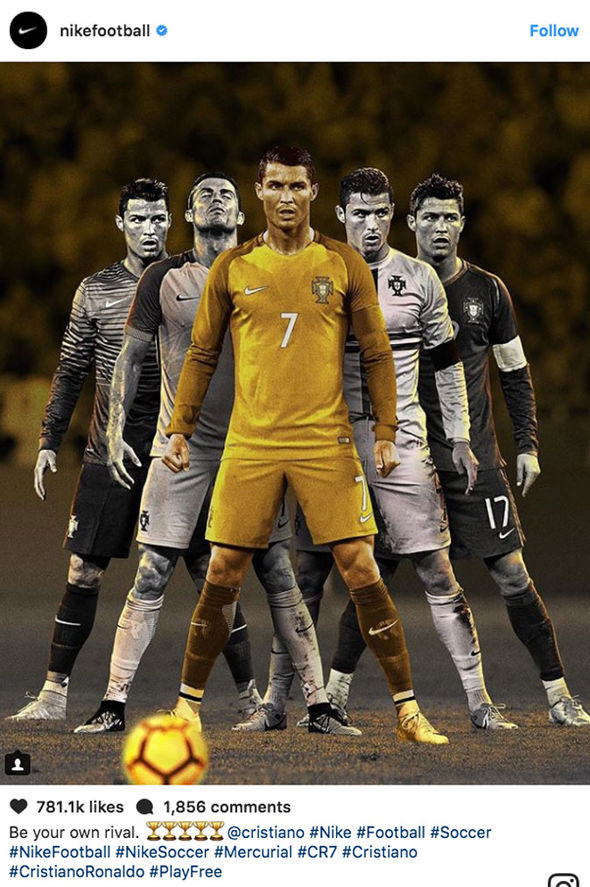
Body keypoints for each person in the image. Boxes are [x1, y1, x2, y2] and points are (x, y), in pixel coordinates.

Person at [163, 146, 449, 744]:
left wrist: (387, 432)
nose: (287, 197)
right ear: (259, 192)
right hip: (252, 442)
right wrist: (180, 431)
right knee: (224, 568)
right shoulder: (233, 267)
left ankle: (407, 711)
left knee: (361, 566)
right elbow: (202, 354)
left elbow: (377, 353)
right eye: (275, 186)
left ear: (313, 192)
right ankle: (187, 707)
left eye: (297, 186)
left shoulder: (343, 263)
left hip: (326, 439)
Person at [258, 167, 517, 732]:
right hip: (328, 443)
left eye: (380, 213)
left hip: (401, 441)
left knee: (437, 571)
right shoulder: (313, 272)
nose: (371, 224)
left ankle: (480, 702)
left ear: (393, 215)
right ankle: (276, 704)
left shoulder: (418, 278)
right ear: (341, 216)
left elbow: (446, 365)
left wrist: (460, 436)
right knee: (308, 575)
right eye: (360, 213)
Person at [75, 173, 329, 734]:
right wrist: (115, 431)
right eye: (204, 195)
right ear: (188, 215)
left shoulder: (267, 270)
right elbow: (130, 357)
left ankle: (318, 704)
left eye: (227, 195)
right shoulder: (162, 278)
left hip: (252, 448)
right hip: (178, 450)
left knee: (277, 571)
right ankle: (113, 703)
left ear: (241, 215)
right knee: (151, 571)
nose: (216, 200)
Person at [407, 172, 590, 727]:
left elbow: (515, 373)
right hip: (410, 462)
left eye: (450, 217)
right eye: (430, 217)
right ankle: (335, 695)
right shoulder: (389, 287)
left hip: (477, 462)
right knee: (367, 574)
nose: (440, 226)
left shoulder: (487, 291)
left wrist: (528, 445)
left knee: (512, 573)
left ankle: (558, 695)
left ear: (462, 224)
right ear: (412, 223)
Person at [8, 178, 171, 721]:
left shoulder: (188, 281)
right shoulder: (95, 290)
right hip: (108, 452)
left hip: (175, 453)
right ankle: (54, 694)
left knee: (214, 570)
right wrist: (50, 439)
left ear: (171, 222)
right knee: (83, 570)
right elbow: (72, 368)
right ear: (120, 224)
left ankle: (249, 698)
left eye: (158, 218)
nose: (148, 229)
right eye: (138, 219)